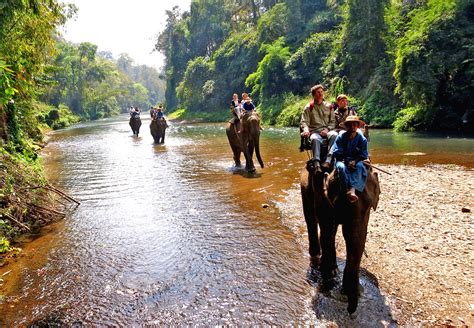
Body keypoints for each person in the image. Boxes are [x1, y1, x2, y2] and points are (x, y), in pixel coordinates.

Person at [331, 116, 369, 203]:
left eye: (355, 125)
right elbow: (337, 152)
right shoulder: (340, 137)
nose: (352, 127)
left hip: (356, 160)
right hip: (342, 160)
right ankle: (346, 188)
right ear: (347, 126)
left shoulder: (362, 139)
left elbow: (363, 154)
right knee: (341, 168)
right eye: (350, 125)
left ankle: (352, 189)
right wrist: (346, 161)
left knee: (360, 166)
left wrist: (355, 161)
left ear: (357, 126)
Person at [301, 84, 338, 171]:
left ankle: (328, 160)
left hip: (327, 130)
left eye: (322, 92)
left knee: (335, 135)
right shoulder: (309, 107)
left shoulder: (329, 106)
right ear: (314, 95)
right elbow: (304, 121)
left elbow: (333, 121)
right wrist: (306, 130)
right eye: (318, 92)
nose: (321, 94)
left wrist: (327, 129)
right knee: (314, 139)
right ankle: (316, 163)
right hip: (315, 131)